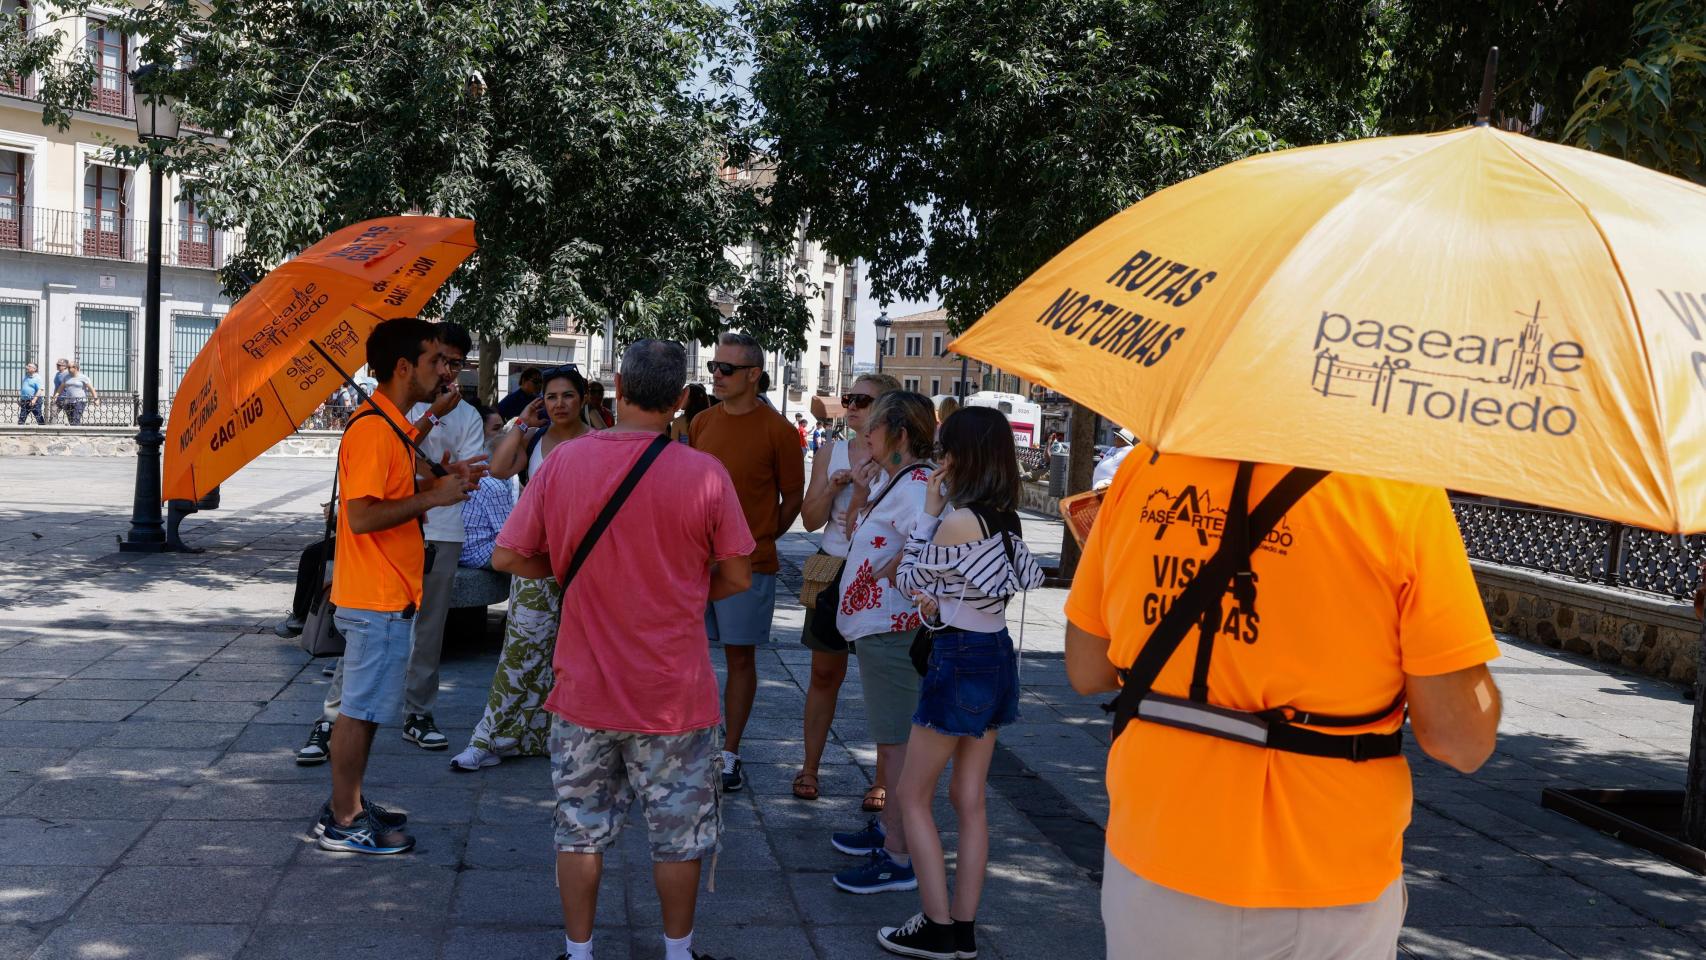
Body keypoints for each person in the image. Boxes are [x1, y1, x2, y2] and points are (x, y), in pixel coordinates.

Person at [1065, 447, 1503, 958]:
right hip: (1322, 872)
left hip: (1153, 851)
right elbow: (1461, 741)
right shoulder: (1395, 487)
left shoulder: (1145, 468)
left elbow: (1086, 668)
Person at [493, 338, 753, 960]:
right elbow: (739, 576)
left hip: (583, 687)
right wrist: (686, 590)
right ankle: (677, 952)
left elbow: (506, 555)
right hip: (673, 694)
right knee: (679, 837)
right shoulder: (705, 473)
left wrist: (567, 570)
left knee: (579, 830)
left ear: (615, 386)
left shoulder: (563, 463)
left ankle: (579, 954)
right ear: (683, 399)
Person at [875, 407, 1045, 959]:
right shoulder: (1006, 518)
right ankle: (963, 929)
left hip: (960, 658)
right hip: (995, 654)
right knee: (969, 799)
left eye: (947, 447)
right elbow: (957, 593)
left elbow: (908, 577)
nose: (940, 457)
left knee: (912, 795)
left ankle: (935, 922)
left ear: (963, 455)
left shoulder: (957, 520)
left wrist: (927, 513)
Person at [312, 317, 483, 855]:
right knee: (358, 712)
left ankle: (352, 801)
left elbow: (396, 486)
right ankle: (343, 819)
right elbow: (362, 516)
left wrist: (441, 482)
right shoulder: (369, 429)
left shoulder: (390, 427)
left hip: (388, 593)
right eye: (436, 360)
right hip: (375, 596)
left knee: (367, 710)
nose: (444, 370)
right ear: (405, 367)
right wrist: (434, 497)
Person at [451, 365, 594, 771]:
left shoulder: (599, 442)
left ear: (582, 398)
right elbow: (497, 470)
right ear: (540, 402)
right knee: (520, 650)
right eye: (551, 397)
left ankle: (549, 737)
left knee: (575, 657)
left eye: (567, 395)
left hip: (587, 565)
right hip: (536, 561)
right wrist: (521, 424)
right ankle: (488, 738)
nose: (559, 403)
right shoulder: (533, 441)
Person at [828, 391, 936, 896]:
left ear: (900, 434)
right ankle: (891, 835)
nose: (864, 434)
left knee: (896, 746)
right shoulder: (898, 480)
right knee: (891, 740)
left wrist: (901, 567)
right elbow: (863, 535)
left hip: (893, 630)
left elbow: (933, 542)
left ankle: (898, 854)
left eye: (874, 427)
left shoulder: (915, 486)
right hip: (879, 629)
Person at [690, 332, 805, 792]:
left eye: (726, 369)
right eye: (714, 368)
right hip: (695, 563)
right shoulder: (701, 422)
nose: (716, 375)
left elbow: (792, 496)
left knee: (739, 659)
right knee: (690, 657)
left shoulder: (777, 430)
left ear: (753, 375)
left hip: (749, 565)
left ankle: (730, 752)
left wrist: (760, 537)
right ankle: (690, 742)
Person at [794, 372, 902, 809]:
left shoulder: (901, 458)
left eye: (863, 399)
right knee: (824, 674)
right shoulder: (831, 450)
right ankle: (809, 767)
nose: (852, 405)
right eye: (849, 397)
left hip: (879, 575)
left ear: (889, 408)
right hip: (835, 568)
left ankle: (881, 779)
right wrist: (832, 487)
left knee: (881, 680)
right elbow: (809, 519)